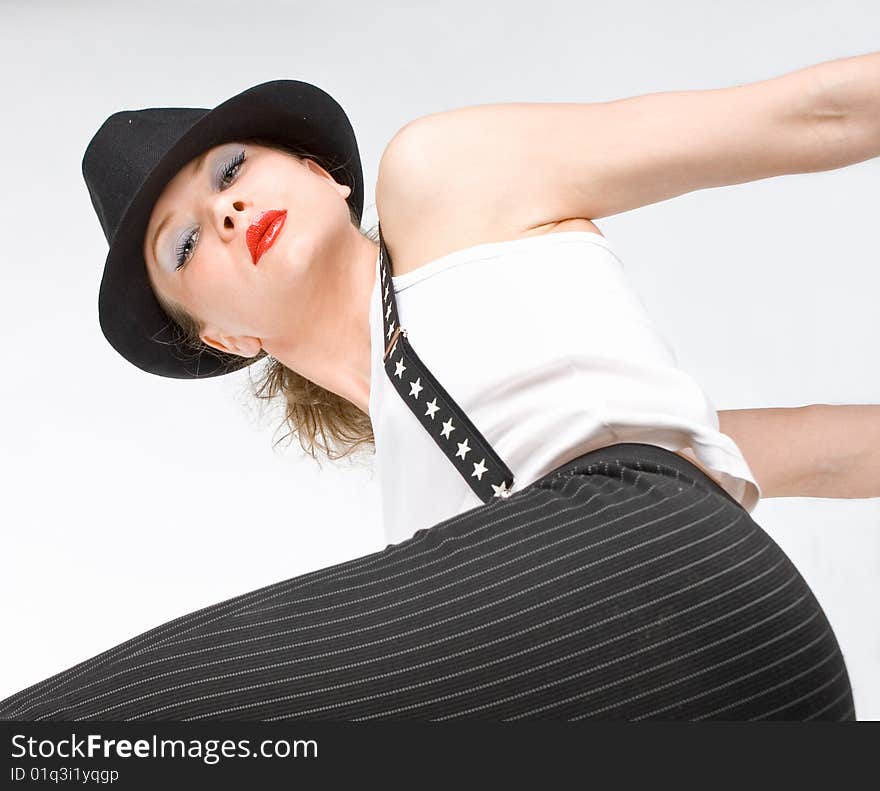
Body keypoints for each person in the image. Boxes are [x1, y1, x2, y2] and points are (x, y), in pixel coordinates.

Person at [0, 63, 871, 720]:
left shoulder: (445, 182)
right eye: (183, 247)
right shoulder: (424, 523)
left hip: (692, 582)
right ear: (227, 341)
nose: (223, 214)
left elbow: (813, 114)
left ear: (323, 172)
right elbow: (814, 453)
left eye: (231, 170)